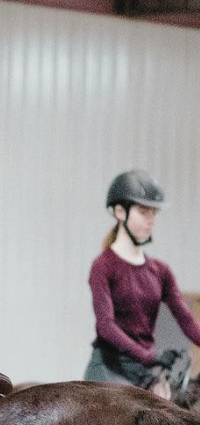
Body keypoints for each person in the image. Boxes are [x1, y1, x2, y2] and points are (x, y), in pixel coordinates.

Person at [84, 170, 200, 397]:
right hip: (110, 368)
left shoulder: (160, 271)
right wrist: (150, 356)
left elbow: (185, 318)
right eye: (143, 211)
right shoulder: (103, 266)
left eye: (154, 212)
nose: (151, 219)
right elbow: (106, 327)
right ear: (120, 211)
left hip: (145, 371)